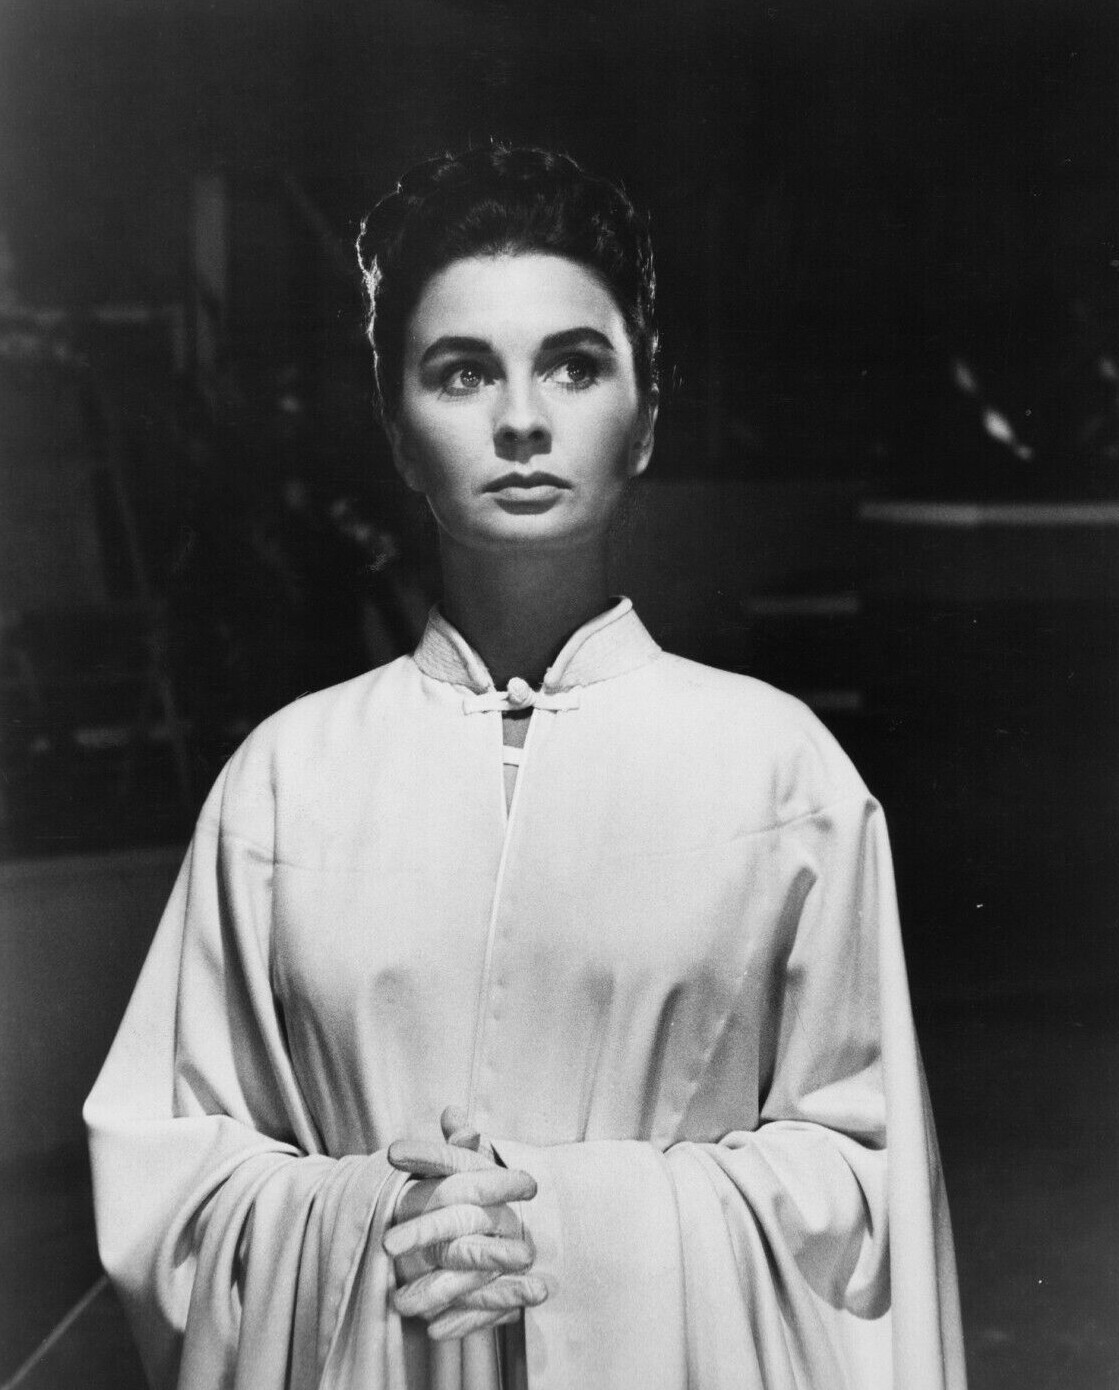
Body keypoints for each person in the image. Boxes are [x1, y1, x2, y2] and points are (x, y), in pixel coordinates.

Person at [85, 145, 967, 1390]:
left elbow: (867, 1193)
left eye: (574, 364)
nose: (520, 419)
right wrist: (378, 1223)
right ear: (396, 432)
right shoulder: (283, 783)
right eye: (461, 371)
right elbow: (173, 1187)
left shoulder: (781, 775)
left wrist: (569, 1227)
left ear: (646, 417)